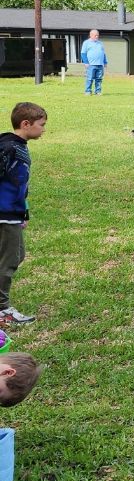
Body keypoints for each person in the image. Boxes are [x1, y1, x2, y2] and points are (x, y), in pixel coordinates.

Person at [0, 102, 47, 326]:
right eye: (41, 125)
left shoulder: (19, 145)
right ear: (26, 124)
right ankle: (2, 311)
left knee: (17, 256)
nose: (44, 129)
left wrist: (24, 212)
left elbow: (20, 184)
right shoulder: (7, 147)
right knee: (7, 262)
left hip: (13, 213)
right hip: (3, 214)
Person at [80, 29, 107, 96]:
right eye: (95, 35)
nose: (97, 37)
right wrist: (86, 62)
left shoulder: (100, 43)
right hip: (91, 65)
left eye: (98, 35)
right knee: (90, 79)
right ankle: (88, 91)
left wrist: (105, 62)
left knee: (99, 79)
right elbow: (83, 53)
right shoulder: (86, 43)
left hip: (100, 64)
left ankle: (98, 91)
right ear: (91, 35)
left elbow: (103, 53)